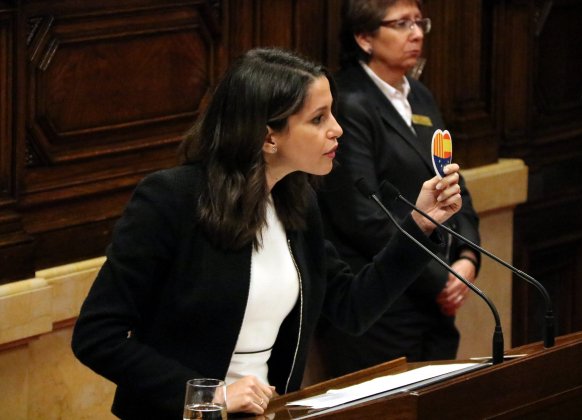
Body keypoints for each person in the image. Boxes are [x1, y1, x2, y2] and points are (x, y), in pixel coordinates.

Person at [71, 47, 463, 419]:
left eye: (333, 114)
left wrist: (420, 225)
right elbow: (98, 335)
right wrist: (209, 395)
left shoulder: (297, 203)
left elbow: (351, 308)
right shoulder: (170, 200)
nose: (337, 130)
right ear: (267, 136)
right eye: (318, 118)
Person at [316, 0, 481, 377]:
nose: (417, 33)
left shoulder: (420, 96)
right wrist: (439, 276)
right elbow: (362, 215)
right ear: (364, 37)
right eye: (402, 23)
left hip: (432, 300)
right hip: (379, 306)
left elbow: (453, 180)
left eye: (420, 22)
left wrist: (468, 257)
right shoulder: (347, 102)